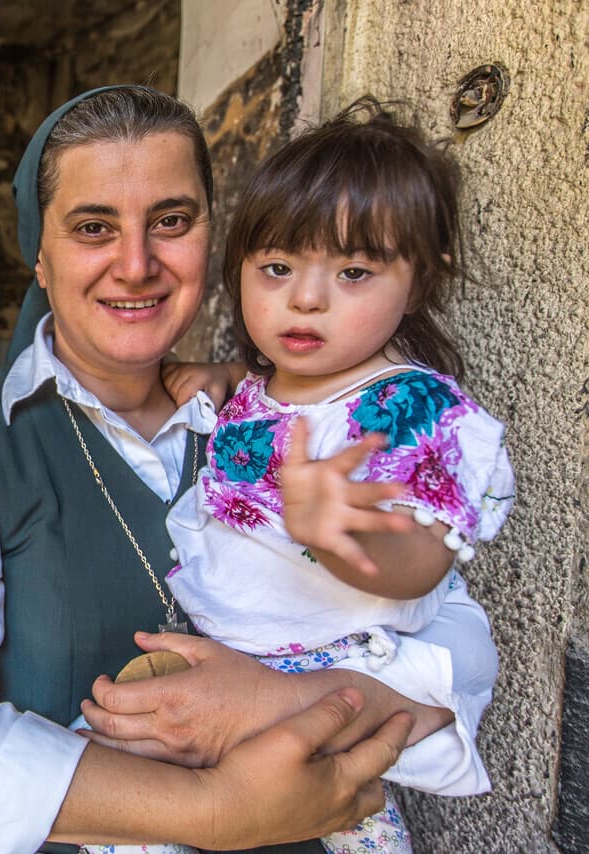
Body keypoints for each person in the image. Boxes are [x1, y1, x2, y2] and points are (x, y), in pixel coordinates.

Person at [0, 86, 498, 854]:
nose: (137, 265)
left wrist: (281, 701)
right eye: (94, 227)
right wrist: (209, 808)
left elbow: (454, 642)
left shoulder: (285, 424)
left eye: (172, 221)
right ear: (40, 256)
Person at [81, 102, 514, 854]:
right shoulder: (269, 381)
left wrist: (343, 538)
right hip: (236, 657)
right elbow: (257, 391)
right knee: (121, 806)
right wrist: (218, 374)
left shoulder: (408, 407)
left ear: (417, 283)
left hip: (331, 672)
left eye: (353, 272)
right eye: (277, 268)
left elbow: (424, 564)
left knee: (344, 811)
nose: (305, 298)